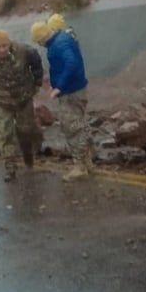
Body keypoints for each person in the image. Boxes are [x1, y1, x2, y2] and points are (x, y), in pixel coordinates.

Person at [31, 19, 95, 181]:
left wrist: (59, 86)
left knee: (72, 128)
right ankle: (87, 162)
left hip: (70, 92)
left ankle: (80, 166)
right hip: (77, 89)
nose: (40, 45)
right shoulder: (63, 38)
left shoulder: (58, 45)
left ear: (42, 38)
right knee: (79, 124)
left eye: (39, 42)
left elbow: (71, 62)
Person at [0, 29, 43, 181]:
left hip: (24, 99)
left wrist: (37, 83)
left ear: (9, 43)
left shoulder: (24, 51)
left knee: (26, 130)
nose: (2, 50)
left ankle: (28, 160)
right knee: (5, 133)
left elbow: (37, 64)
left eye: (4, 46)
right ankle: (10, 168)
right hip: (2, 102)